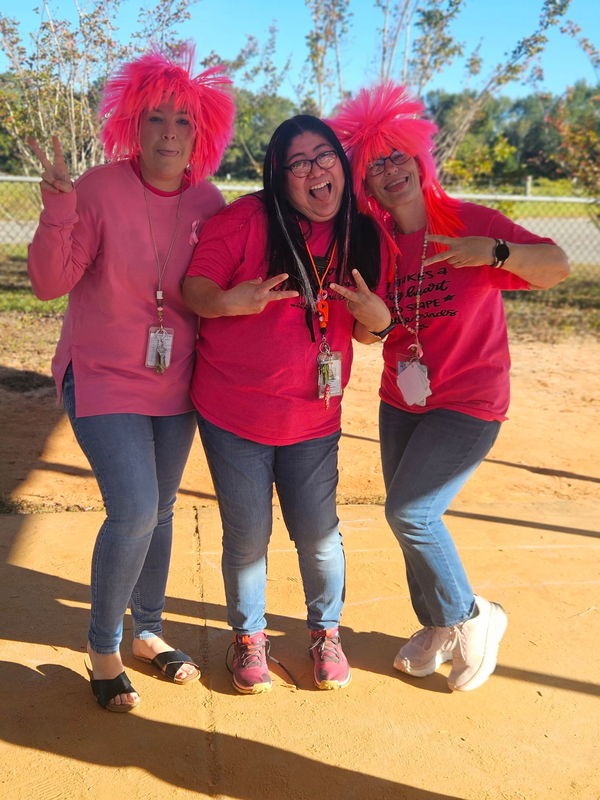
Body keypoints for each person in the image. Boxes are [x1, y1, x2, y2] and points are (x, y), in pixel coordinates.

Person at [329, 84, 569, 692]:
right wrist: (373, 321)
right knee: (409, 519)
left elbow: (558, 265)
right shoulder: (375, 243)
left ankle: (473, 616)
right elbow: (365, 332)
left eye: (396, 156)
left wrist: (493, 250)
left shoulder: (470, 222)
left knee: (412, 512)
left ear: (418, 157)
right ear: (365, 179)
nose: (389, 171)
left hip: (470, 400)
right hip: (401, 400)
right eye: (374, 163)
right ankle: (437, 626)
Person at [27, 48, 235, 712]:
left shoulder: (209, 200)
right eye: (154, 119)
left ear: (202, 130)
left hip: (176, 385)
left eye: (182, 120)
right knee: (136, 510)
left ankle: (148, 632)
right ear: (129, 125)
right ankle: (103, 646)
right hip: (100, 376)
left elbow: (214, 291)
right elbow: (47, 284)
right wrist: (58, 209)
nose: (169, 132)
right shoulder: (96, 189)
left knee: (164, 511)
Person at [182, 115, 389, 694]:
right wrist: (228, 302)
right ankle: (248, 637)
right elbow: (194, 289)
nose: (315, 171)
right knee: (247, 535)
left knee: (318, 534)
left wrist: (379, 324)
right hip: (234, 414)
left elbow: (369, 330)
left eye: (324, 157)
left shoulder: (362, 234)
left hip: (314, 417)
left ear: (342, 167)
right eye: (298, 163)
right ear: (279, 176)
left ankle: (325, 632)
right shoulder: (244, 220)